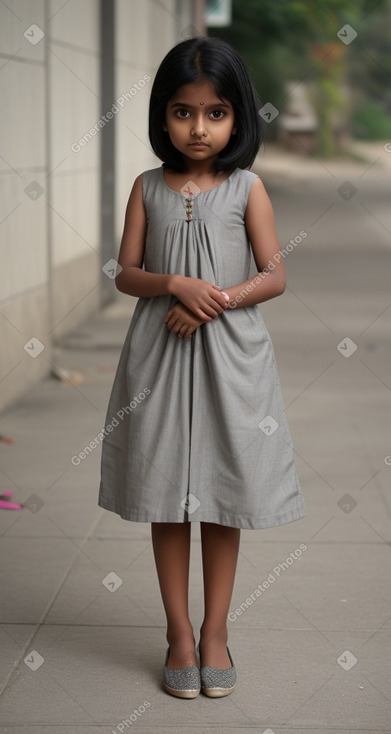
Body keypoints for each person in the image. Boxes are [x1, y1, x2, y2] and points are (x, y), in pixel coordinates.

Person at [98, 35, 306, 699]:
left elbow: (273, 276)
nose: (198, 127)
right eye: (183, 112)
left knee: (220, 494)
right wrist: (172, 285)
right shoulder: (146, 188)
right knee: (165, 493)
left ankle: (215, 632)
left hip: (232, 358)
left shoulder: (247, 187)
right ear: (162, 116)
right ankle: (177, 634)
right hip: (158, 356)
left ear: (237, 118)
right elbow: (123, 273)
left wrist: (214, 299)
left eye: (215, 113)